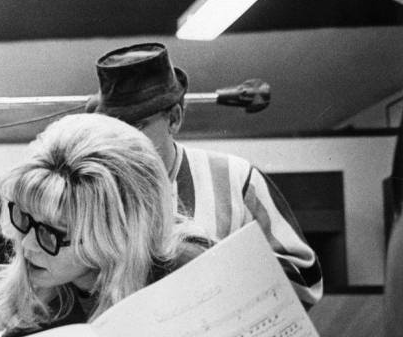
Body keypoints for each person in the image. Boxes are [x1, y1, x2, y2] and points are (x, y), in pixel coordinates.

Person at [87, 42, 323, 307]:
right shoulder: (92, 190)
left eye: (137, 127)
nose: (120, 144)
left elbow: (305, 281)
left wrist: (201, 259)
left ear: (174, 119)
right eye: (112, 129)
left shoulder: (238, 179)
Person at [0, 112, 210, 337]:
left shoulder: (189, 274)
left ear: (118, 234)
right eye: (23, 217)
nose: (28, 243)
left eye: (54, 232)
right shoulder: (47, 292)